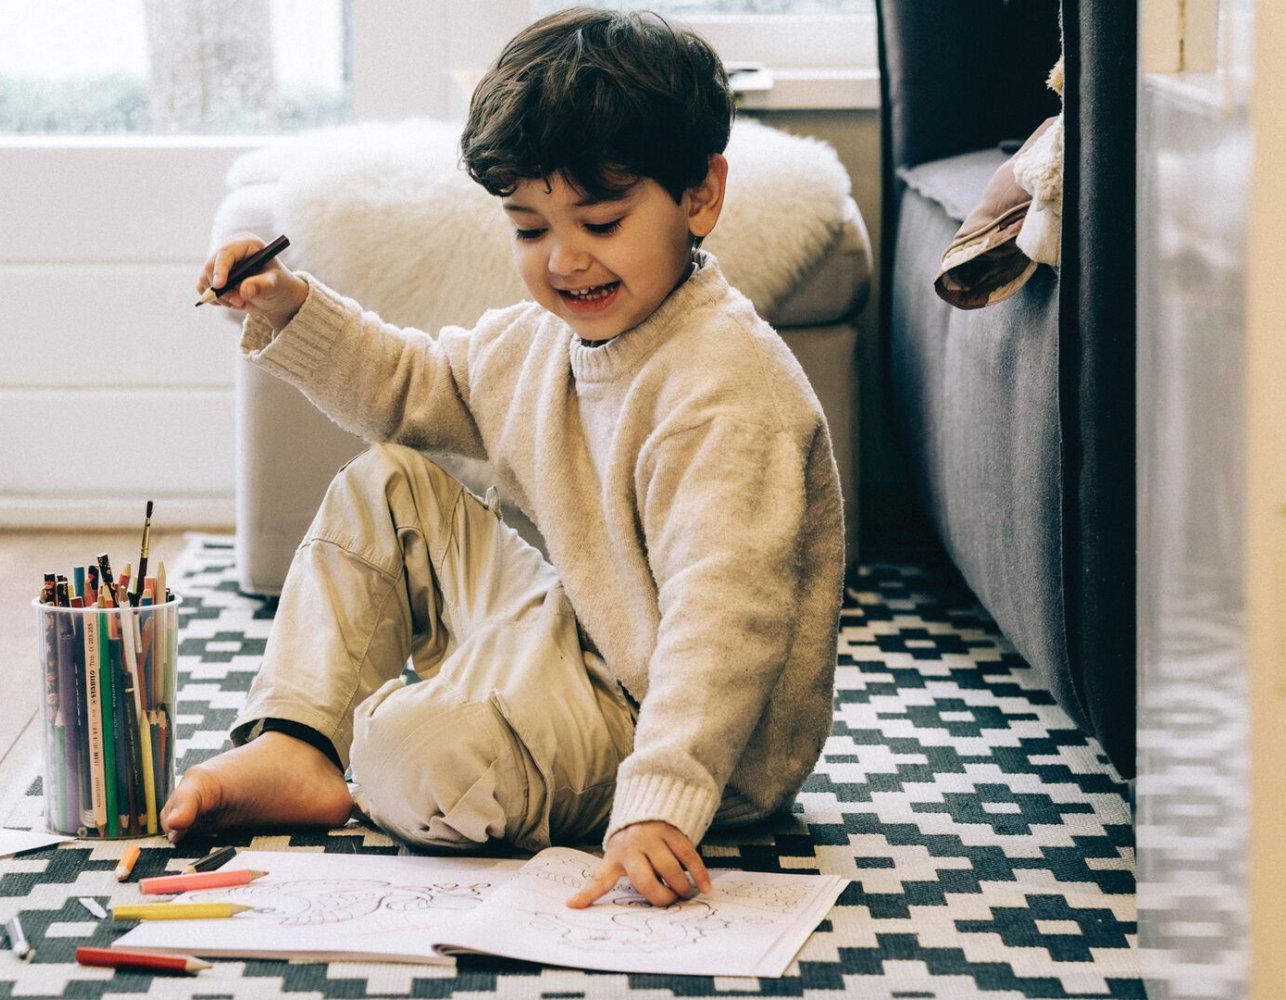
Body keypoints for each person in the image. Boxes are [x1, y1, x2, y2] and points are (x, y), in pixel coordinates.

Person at [162, 6, 845, 909]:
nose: (566, 260)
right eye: (529, 229)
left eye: (601, 221)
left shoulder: (726, 392)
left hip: (680, 737)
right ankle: (297, 741)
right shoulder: (542, 342)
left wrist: (660, 800)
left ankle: (456, 732)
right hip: (585, 637)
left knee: (412, 752)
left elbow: (725, 623)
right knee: (386, 482)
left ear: (700, 196)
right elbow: (409, 385)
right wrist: (287, 306)